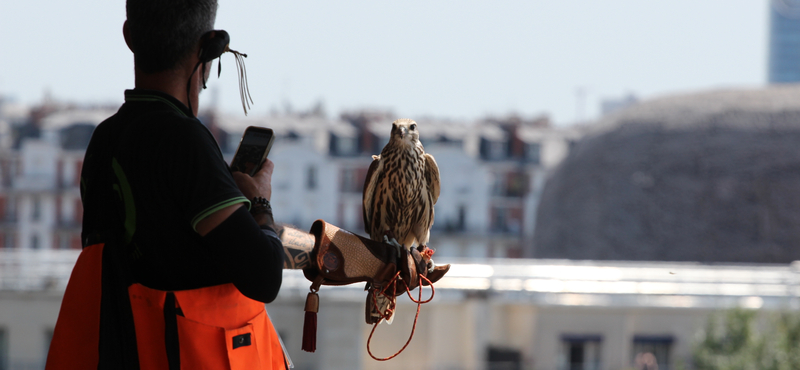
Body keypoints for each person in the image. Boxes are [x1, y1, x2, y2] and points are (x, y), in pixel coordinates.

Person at [45, 1, 312, 369]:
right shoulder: (183, 141)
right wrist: (260, 203)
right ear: (210, 48)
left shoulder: (104, 140)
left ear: (128, 36)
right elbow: (264, 276)